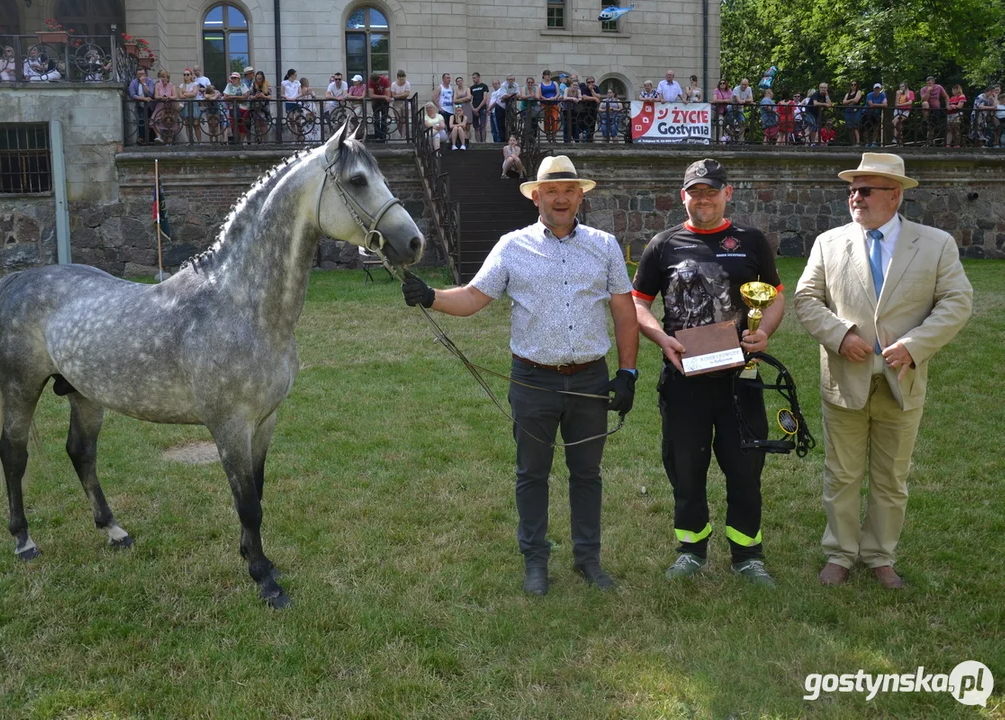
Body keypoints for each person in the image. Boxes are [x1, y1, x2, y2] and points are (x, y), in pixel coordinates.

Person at [401, 156, 638, 596]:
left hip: (590, 379)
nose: (561, 198)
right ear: (536, 197)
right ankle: (535, 562)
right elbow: (473, 297)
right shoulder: (512, 247)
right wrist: (430, 296)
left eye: (569, 190)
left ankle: (588, 560)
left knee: (587, 474)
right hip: (533, 380)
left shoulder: (604, 246)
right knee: (532, 473)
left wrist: (627, 372)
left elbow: (624, 310)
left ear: (580, 196)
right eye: (552, 191)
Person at [793, 153, 972, 589]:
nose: (856, 196)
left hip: (902, 380)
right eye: (852, 189)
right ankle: (840, 552)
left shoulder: (936, 244)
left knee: (891, 477)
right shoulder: (828, 242)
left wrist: (914, 346)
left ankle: (880, 556)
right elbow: (806, 299)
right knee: (841, 473)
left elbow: (957, 301)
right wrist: (840, 336)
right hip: (844, 379)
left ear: (894, 196)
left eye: (866, 189)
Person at [632, 158, 784, 587]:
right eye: (694, 191)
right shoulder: (662, 245)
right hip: (685, 378)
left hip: (742, 377)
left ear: (727, 193)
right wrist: (662, 339)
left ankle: (747, 555)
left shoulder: (751, 241)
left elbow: (773, 299)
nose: (703, 199)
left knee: (745, 466)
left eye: (711, 191)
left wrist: (765, 331)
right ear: (683, 195)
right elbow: (639, 304)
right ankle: (691, 549)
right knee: (685, 465)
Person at [151, 68, 180, 144]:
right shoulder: (157, 85)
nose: (163, 78)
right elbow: (156, 96)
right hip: (160, 105)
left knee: (170, 121)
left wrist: (168, 97)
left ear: (168, 78)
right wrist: (161, 97)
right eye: (161, 77)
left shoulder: (172, 85)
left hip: (170, 105)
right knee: (154, 119)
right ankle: (159, 137)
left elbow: (175, 96)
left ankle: (169, 141)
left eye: (164, 77)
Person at [128, 67, 156, 144]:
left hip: (150, 105)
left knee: (151, 121)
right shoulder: (133, 82)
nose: (141, 76)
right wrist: (143, 99)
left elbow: (150, 93)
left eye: (142, 74)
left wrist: (144, 83)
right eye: (139, 74)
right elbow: (132, 95)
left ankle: (151, 139)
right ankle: (142, 138)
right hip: (140, 104)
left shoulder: (149, 81)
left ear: (145, 74)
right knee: (141, 120)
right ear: (136, 75)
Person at [920, 75, 948, 145]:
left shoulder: (939, 87)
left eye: (930, 83)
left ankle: (930, 141)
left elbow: (946, 96)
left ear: (934, 82)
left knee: (931, 126)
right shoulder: (923, 89)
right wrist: (928, 90)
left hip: (936, 109)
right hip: (927, 109)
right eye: (927, 83)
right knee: (925, 103)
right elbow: (924, 99)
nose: (929, 85)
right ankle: (925, 119)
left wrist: (947, 105)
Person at [178, 68, 203, 143]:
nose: (186, 76)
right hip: (186, 106)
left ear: (191, 75)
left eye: (188, 74)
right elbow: (180, 96)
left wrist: (185, 93)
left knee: (196, 124)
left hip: (193, 105)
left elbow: (194, 94)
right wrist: (189, 94)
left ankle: (200, 142)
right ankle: (190, 141)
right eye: (184, 74)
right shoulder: (182, 85)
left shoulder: (195, 84)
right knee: (187, 124)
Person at [223, 71, 248, 143]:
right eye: (232, 78)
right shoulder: (229, 86)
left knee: (242, 125)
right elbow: (225, 97)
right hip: (232, 108)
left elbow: (245, 96)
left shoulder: (243, 85)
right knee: (234, 125)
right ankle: (236, 141)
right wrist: (238, 97)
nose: (234, 79)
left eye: (235, 78)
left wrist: (233, 97)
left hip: (243, 108)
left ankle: (241, 142)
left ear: (239, 79)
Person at [248, 70, 273, 142]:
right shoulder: (253, 85)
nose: (258, 80)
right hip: (256, 107)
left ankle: (265, 141)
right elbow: (249, 96)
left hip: (264, 108)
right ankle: (259, 141)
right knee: (257, 125)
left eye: (260, 78)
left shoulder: (267, 85)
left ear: (263, 78)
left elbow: (270, 97)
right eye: (257, 78)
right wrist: (255, 96)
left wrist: (263, 96)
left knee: (264, 125)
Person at [538, 70, 561, 142]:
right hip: (545, 104)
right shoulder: (540, 85)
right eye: (547, 75)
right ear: (544, 76)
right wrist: (546, 99)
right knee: (547, 120)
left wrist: (554, 97)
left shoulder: (554, 83)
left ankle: (554, 135)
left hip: (554, 103)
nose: (548, 76)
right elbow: (540, 94)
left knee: (555, 119)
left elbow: (557, 93)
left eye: (549, 75)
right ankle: (548, 134)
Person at [368, 72, 391, 141]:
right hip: (375, 101)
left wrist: (385, 97)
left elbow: (388, 94)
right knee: (376, 118)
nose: (374, 83)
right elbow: (371, 95)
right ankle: (377, 136)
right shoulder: (370, 81)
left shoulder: (385, 80)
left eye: (375, 82)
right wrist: (384, 96)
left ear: (378, 79)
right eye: (373, 82)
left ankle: (383, 135)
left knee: (384, 117)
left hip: (384, 102)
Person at [391, 70, 412, 139]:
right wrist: (402, 95)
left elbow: (407, 94)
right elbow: (393, 95)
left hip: (405, 102)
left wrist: (398, 95)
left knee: (404, 120)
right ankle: (401, 134)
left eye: (403, 76)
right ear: (397, 77)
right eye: (400, 77)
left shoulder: (407, 83)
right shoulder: (394, 84)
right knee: (398, 120)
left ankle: (403, 136)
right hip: (396, 103)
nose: (401, 78)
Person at [842, 80, 864, 145]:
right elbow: (844, 102)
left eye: (855, 84)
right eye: (852, 85)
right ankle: (852, 142)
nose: (853, 86)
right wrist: (851, 100)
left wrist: (848, 103)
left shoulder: (859, 92)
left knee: (855, 126)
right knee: (849, 127)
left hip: (856, 110)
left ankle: (857, 142)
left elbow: (856, 100)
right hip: (848, 111)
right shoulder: (847, 94)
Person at [469, 72, 489, 142]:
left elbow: (485, 98)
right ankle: (478, 142)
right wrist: (473, 109)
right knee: (476, 127)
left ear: (478, 77)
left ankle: (483, 142)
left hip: (482, 108)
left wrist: (478, 108)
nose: (473, 79)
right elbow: (469, 100)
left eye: (474, 78)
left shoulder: (484, 86)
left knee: (483, 126)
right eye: (473, 78)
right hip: (474, 109)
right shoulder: (471, 88)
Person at [945, 84, 966, 148]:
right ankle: (948, 144)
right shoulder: (952, 98)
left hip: (956, 114)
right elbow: (948, 105)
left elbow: (960, 106)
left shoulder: (961, 96)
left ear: (956, 90)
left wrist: (954, 106)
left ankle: (957, 144)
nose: (952, 91)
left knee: (956, 129)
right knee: (949, 129)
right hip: (950, 114)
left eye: (953, 90)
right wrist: (948, 106)